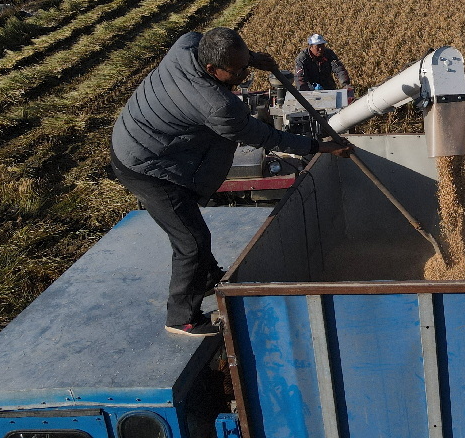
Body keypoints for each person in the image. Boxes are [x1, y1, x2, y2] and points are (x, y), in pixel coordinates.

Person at [111, 27, 352, 337]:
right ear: (212, 69)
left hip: (147, 137)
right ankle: (181, 318)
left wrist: (251, 59)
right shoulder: (218, 106)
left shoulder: (188, 44)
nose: (244, 74)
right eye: (237, 71)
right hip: (146, 166)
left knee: (191, 231)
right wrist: (320, 147)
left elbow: (207, 43)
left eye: (244, 65)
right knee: (192, 241)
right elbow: (267, 136)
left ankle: (209, 275)